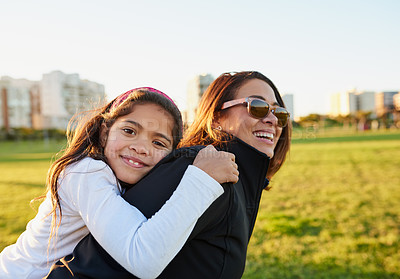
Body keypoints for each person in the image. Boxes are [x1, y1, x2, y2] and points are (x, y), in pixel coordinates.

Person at [47, 71, 291, 279]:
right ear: (216, 116)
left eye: (280, 113)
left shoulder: (232, 176)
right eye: (257, 107)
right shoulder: (198, 171)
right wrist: (200, 180)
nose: (272, 120)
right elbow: (97, 266)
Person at [0, 87, 239, 279]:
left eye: (159, 143)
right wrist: (201, 180)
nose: (141, 147)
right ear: (104, 133)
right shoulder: (86, 172)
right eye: (129, 130)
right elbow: (144, 260)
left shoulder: (127, 178)